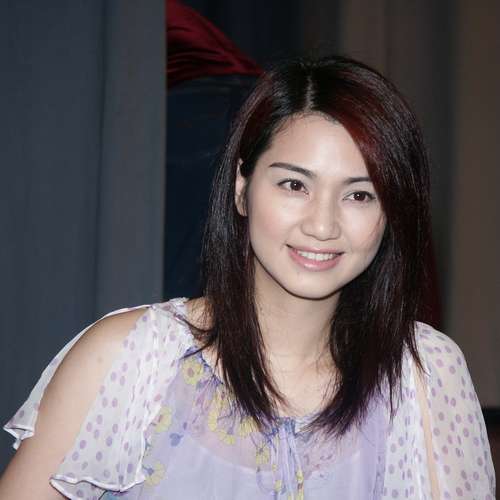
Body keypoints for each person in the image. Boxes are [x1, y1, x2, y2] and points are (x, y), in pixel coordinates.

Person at [0, 55, 495, 499]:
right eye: (294, 184)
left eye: (359, 195)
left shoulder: (425, 374)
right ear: (242, 187)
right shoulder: (131, 358)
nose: (322, 225)